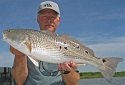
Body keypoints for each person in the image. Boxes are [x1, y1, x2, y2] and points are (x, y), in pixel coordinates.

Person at [10, 1, 80, 85]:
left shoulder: (68, 46)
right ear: (37, 20)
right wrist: (20, 56)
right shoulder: (26, 43)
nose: (48, 20)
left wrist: (66, 71)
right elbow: (19, 81)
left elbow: (74, 83)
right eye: (44, 16)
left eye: (53, 17)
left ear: (59, 20)